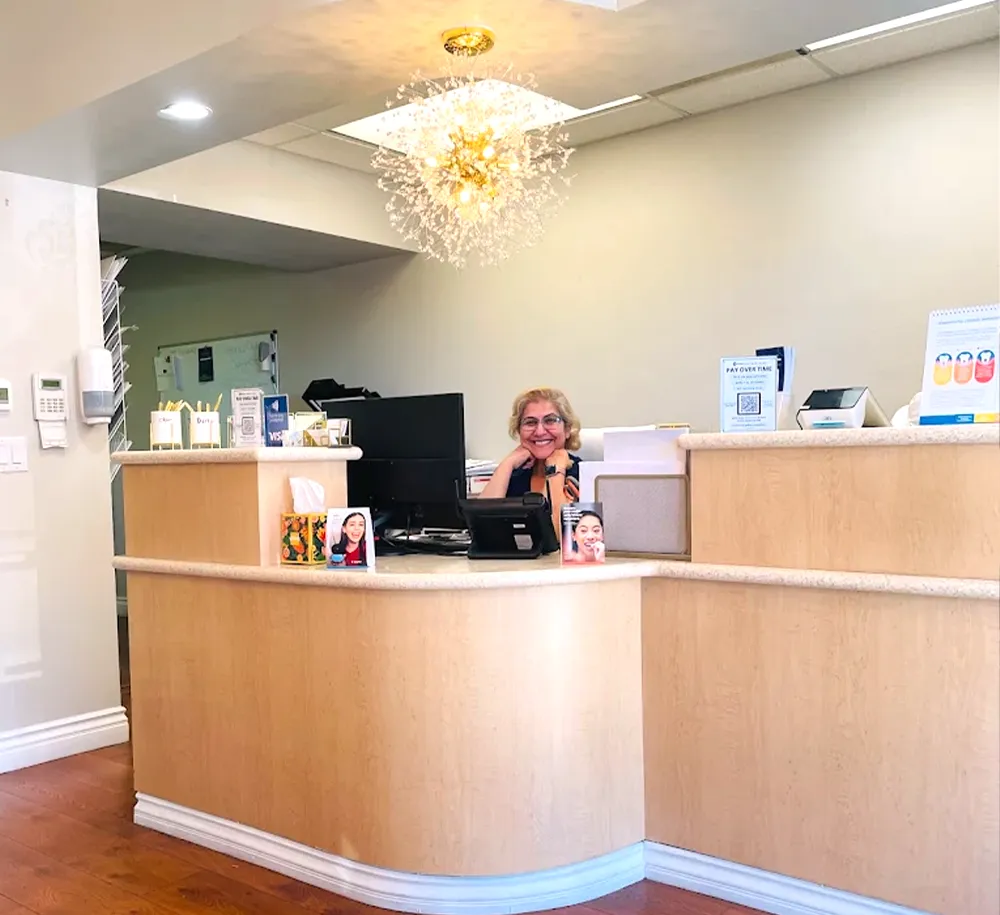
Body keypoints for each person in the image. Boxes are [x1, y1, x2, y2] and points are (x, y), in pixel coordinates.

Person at [480, 387, 581, 538]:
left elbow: (565, 540)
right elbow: (481, 527)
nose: (540, 431)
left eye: (550, 420)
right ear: (519, 431)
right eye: (530, 422)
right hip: (514, 562)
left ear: (567, 430)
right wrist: (508, 463)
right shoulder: (515, 476)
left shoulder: (585, 476)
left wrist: (556, 472)